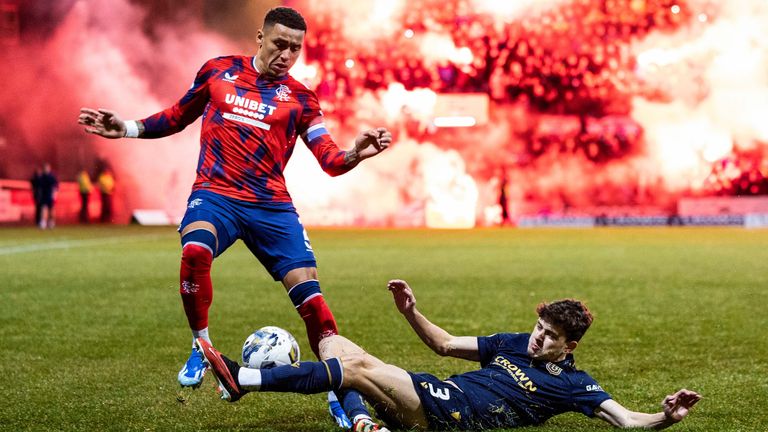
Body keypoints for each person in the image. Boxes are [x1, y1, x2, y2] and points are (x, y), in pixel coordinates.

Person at [77, 7, 391, 431]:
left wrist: (355, 153)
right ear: (260, 37)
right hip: (216, 195)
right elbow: (177, 116)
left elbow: (329, 159)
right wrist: (128, 128)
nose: (286, 55)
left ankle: (339, 392)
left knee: (314, 303)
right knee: (195, 251)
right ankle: (202, 344)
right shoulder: (218, 71)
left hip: (271, 207)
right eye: (279, 44)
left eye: (295, 48)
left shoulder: (301, 98)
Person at [197, 279, 701, 431]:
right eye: (538, 327)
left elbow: (627, 420)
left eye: (549, 337)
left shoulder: (575, 384)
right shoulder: (511, 343)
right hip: (436, 395)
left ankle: (244, 381)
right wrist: (411, 312)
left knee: (354, 367)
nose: (537, 338)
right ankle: (360, 421)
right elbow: (444, 344)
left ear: (569, 347)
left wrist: (666, 416)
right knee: (335, 345)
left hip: (454, 417)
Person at [38, 163, 58, 229]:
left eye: (47, 168)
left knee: (51, 209)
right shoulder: (42, 177)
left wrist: (54, 194)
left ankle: (51, 222)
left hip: (50, 195)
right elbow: (39, 187)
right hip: (44, 195)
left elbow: (56, 186)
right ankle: (43, 222)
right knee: (44, 208)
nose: (46, 169)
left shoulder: (51, 177)